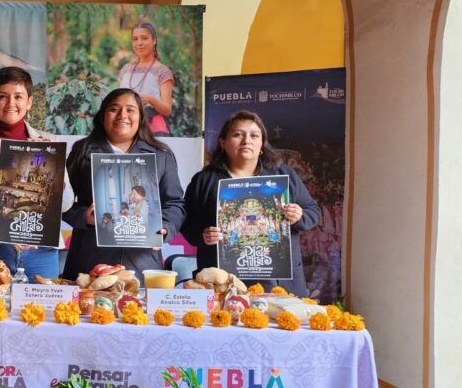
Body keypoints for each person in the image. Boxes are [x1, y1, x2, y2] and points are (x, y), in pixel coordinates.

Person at [180, 110, 320, 297]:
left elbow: (314, 211)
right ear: (222, 142)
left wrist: (299, 216)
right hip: (222, 282)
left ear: (262, 145)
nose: (247, 141)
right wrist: (202, 235)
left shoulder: (283, 175)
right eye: (238, 134)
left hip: (278, 281)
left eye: (254, 136)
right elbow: (186, 222)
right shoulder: (204, 180)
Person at [0, 67, 74, 281]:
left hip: (40, 250)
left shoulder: (49, 142)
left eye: (18, 96)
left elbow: (66, 203)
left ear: (29, 102)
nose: (11, 103)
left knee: (41, 302)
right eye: (2, 96)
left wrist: (51, 166)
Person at [61, 88, 185, 281]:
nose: (122, 115)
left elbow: (175, 203)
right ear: (103, 116)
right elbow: (61, 200)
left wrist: (166, 227)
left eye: (130, 110)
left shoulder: (160, 155)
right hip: (89, 260)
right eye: (114, 109)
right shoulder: (82, 151)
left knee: (135, 301)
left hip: (141, 262)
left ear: (141, 117)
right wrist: (84, 217)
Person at [117, 21, 175, 136]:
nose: (139, 43)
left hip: (152, 129)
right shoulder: (126, 70)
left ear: (154, 40)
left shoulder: (162, 71)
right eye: (135, 39)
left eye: (144, 38)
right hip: (126, 128)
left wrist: (150, 100)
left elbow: (167, 109)